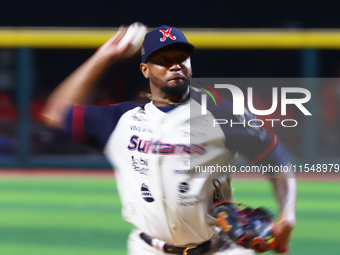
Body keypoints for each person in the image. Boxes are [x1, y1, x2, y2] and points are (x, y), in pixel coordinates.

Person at [41, 25, 296, 255]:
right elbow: (55, 113)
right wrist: (102, 57)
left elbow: (276, 157)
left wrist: (288, 214)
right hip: (148, 249)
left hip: (219, 249)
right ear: (145, 69)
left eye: (181, 58)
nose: (175, 65)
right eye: (163, 60)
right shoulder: (120, 120)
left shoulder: (222, 114)